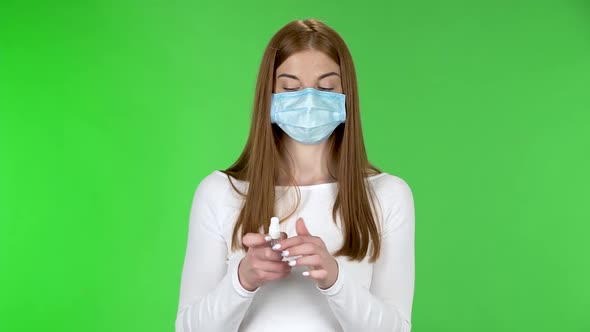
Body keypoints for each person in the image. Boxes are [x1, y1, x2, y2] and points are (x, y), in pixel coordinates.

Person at [175, 18, 415, 332]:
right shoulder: (221, 192)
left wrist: (334, 279)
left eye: (326, 87)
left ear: (346, 98)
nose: (309, 100)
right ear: (270, 98)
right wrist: (243, 280)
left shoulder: (388, 195)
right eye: (291, 88)